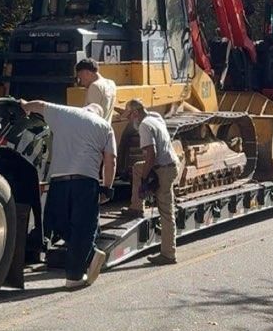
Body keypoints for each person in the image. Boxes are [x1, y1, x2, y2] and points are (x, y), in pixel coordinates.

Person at [21, 99, 116, 289]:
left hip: (59, 181)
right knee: (83, 228)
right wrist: (107, 187)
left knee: (58, 224)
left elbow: (39, 104)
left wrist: (24, 106)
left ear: (84, 108)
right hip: (86, 182)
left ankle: (90, 255)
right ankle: (74, 276)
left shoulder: (64, 113)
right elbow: (110, 160)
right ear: (99, 114)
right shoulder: (105, 126)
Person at [123, 98, 180, 265]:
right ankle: (136, 206)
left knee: (166, 211)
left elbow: (151, 154)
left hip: (163, 169)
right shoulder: (155, 117)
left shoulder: (144, 126)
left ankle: (168, 254)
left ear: (135, 113)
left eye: (129, 116)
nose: (128, 120)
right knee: (137, 167)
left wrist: (145, 178)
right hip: (168, 164)